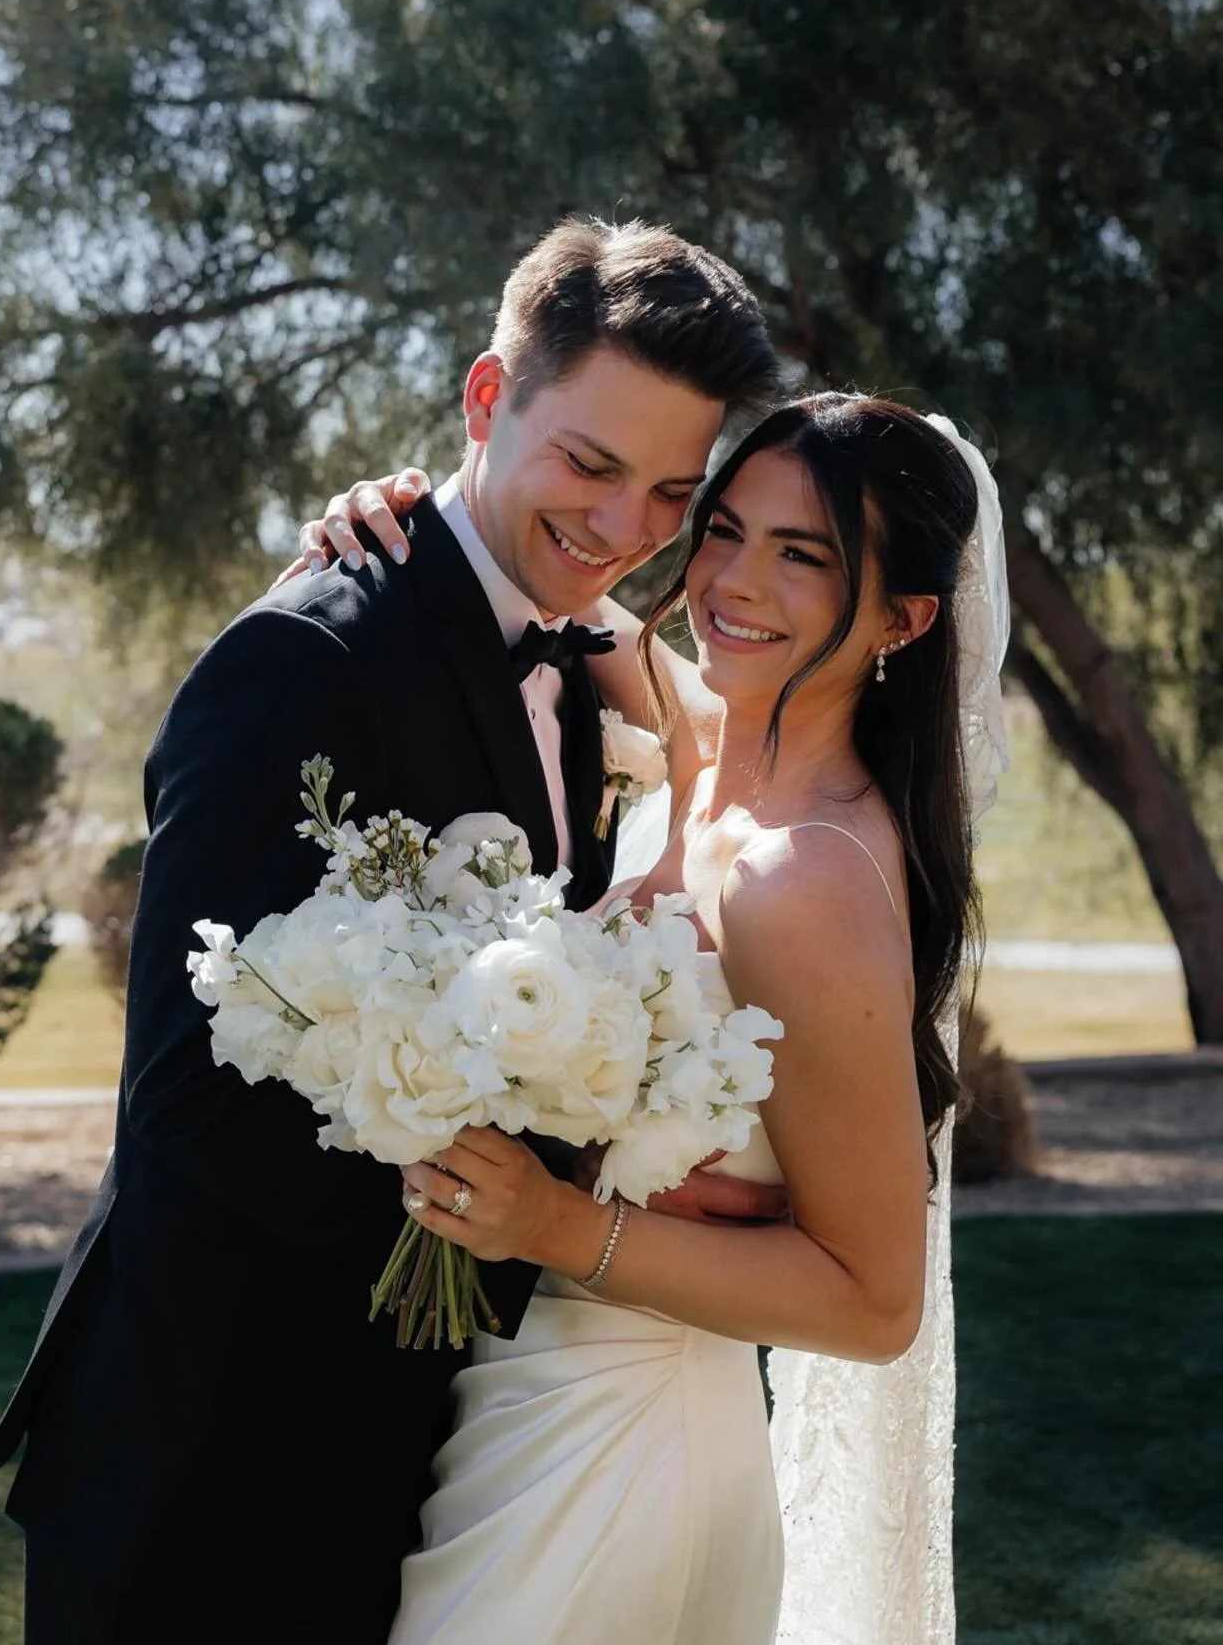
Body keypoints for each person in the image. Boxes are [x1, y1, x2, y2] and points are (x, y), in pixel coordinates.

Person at [0, 216, 784, 1643]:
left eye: (670, 491)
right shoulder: (308, 657)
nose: (624, 529)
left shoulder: (603, 666)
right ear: (485, 399)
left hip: (424, 1455)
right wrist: (542, 1202)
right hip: (217, 1465)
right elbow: (186, 1094)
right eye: (588, 465)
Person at [301, 391, 1009, 1643]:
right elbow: (558, 595)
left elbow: (874, 1302)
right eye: (726, 529)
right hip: (527, 1399)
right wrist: (405, 514)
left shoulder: (810, 881)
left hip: (633, 1446)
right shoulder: (709, 737)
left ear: (903, 620)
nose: (732, 581)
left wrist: (559, 1223)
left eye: (805, 557)